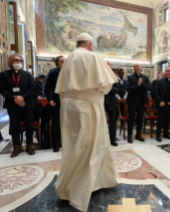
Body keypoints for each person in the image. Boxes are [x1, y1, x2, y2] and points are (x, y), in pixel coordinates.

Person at [54, 33, 120, 212]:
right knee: (91, 146)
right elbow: (105, 86)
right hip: (88, 107)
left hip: (68, 107)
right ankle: (78, 189)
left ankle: (86, 181)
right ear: (91, 45)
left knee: (74, 144)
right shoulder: (93, 56)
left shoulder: (67, 59)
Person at [0, 54, 36, 158]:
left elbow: (32, 88)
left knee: (29, 125)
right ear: (10, 62)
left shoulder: (27, 75)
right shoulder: (4, 75)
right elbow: (3, 90)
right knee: (14, 126)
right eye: (16, 60)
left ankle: (29, 146)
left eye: (20, 61)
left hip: (27, 104)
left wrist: (22, 97)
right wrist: (15, 98)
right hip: (12, 104)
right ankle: (17, 147)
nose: (18, 62)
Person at [44, 56, 66, 152]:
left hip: (69, 101)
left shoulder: (71, 72)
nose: (65, 63)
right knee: (57, 124)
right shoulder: (53, 72)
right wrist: (49, 99)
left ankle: (67, 143)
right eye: (62, 61)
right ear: (58, 63)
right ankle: (56, 144)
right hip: (56, 101)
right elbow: (47, 87)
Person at [126, 63, 151, 143]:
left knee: (140, 119)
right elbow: (128, 88)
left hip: (141, 101)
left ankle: (138, 135)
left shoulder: (145, 77)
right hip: (133, 101)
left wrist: (142, 84)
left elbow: (149, 87)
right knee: (131, 119)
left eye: (137, 66)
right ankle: (129, 135)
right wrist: (137, 85)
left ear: (141, 67)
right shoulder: (130, 77)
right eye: (135, 67)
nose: (136, 68)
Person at [155, 68, 170, 142]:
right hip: (162, 104)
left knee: (168, 119)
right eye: (166, 71)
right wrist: (160, 101)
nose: (167, 72)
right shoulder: (160, 81)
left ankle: (166, 134)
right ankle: (158, 135)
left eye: (169, 71)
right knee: (160, 120)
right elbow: (156, 92)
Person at [105, 61, 119, 146]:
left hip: (112, 103)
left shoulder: (114, 77)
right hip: (101, 102)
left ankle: (112, 140)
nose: (107, 65)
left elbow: (118, 90)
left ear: (111, 66)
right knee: (99, 123)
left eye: (108, 64)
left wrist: (108, 87)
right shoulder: (99, 75)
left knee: (113, 122)